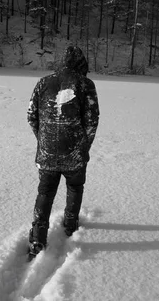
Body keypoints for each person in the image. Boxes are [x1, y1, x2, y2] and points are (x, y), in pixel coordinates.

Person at [26, 46, 100, 260]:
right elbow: (92, 121)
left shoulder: (43, 82)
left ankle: (37, 239)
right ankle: (70, 225)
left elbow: (31, 115)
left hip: (47, 152)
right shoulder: (86, 85)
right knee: (75, 187)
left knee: (45, 192)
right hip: (74, 152)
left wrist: (44, 140)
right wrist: (83, 146)